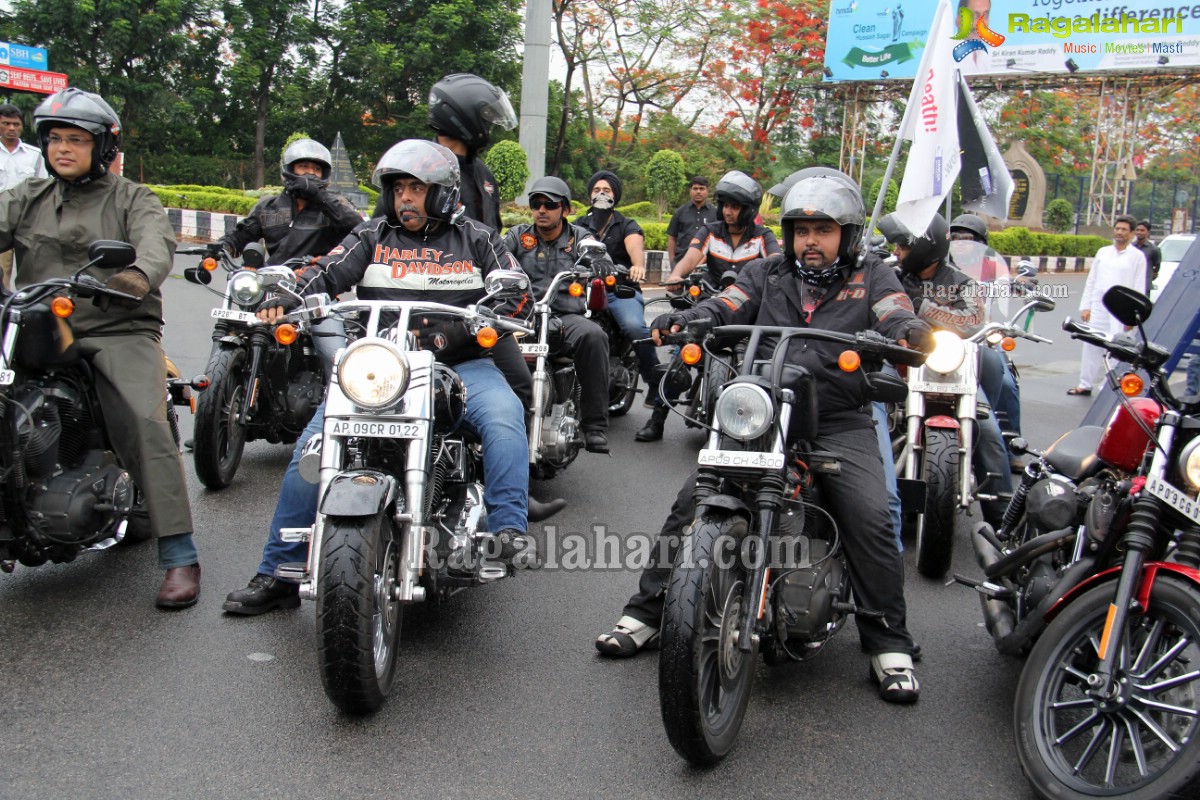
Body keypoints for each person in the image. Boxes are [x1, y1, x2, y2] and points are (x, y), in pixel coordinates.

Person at [596, 171, 933, 704]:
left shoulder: (872, 276)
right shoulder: (767, 272)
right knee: (692, 502)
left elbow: (895, 314)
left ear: (846, 234)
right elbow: (728, 302)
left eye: (824, 230)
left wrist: (910, 333)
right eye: (802, 230)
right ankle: (646, 612)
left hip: (838, 418)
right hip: (762, 412)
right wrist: (693, 317)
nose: (811, 241)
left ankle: (887, 639)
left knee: (871, 513)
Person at [223, 140, 537, 615]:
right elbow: (323, 271)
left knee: (504, 415)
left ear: (443, 192)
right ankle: (279, 572)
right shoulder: (371, 236)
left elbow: (513, 286)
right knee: (314, 445)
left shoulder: (478, 237)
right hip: (379, 365)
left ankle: (507, 532)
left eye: (417, 188)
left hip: (461, 363)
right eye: (398, 189)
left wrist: (499, 306)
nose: (405, 198)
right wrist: (285, 291)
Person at [0, 88, 200, 608]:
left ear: (103, 147)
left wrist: (137, 275)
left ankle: (179, 553)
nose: (63, 149)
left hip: (115, 325)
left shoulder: (132, 197)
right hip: (36, 323)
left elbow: (156, 242)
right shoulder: (27, 196)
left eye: (77, 140)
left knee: (144, 419)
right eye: (55, 139)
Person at [881, 211, 1011, 530]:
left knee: (990, 431)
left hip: (949, 370)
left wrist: (924, 307)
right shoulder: (889, 276)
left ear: (926, 247)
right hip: (899, 366)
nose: (897, 252)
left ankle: (1003, 518)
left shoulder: (962, 282)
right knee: (867, 419)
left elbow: (973, 322)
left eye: (904, 246)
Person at [213, 138, 363, 381]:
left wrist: (319, 197)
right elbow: (240, 235)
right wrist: (220, 247)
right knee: (239, 329)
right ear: (289, 170)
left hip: (316, 292)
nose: (311, 173)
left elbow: (358, 229)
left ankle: (336, 398)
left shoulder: (334, 205)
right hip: (271, 288)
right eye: (304, 167)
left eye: (316, 169)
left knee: (333, 355)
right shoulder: (269, 207)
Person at [501, 176, 611, 454]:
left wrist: (600, 263)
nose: (541, 210)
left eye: (549, 204)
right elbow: (497, 257)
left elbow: (600, 255)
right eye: (536, 203)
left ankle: (595, 425)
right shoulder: (518, 237)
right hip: (522, 316)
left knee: (594, 336)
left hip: (564, 316)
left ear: (565, 209)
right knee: (486, 340)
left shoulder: (579, 238)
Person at [575, 170, 664, 445]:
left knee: (635, 327)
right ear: (590, 194)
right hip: (583, 291)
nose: (602, 193)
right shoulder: (578, 224)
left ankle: (655, 386)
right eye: (597, 188)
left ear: (615, 196)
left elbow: (635, 248)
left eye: (607, 189)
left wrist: (637, 266)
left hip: (618, 290)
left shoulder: (626, 225)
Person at [948, 213, 1024, 443]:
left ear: (979, 242)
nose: (960, 242)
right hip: (945, 337)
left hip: (981, 336)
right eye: (955, 236)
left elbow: (1005, 289)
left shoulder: (991, 266)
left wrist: (1018, 285)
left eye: (967, 237)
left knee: (1007, 384)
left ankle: (1012, 445)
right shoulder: (940, 264)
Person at [426, 73, 516, 232]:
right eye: (486, 118)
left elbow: (493, 232)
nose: (489, 126)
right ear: (465, 115)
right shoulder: (418, 168)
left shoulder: (484, 174)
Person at [1069, 215, 1146, 396]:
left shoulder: (1137, 257)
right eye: (1117, 228)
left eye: (1124, 230)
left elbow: (1139, 287)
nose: (1119, 232)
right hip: (1099, 306)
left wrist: (1132, 316)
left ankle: (1108, 386)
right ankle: (1085, 384)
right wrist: (1085, 306)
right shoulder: (1103, 252)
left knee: (1117, 347)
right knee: (1091, 343)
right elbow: (1092, 280)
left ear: (1132, 233)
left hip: (1121, 310)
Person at [663, 170, 781, 285]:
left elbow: (776, 260)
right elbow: (691, 257)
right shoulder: (709, 231)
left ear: (748, 211)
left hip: (749, 300)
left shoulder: (763, 235)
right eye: (725, 206)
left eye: (734, 207)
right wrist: (676, 274)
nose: (727, 212)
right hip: (712, 299)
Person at [0, 103, 48, 290]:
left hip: (27, 222)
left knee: (30, 271)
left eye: (16, 124)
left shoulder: (35, 155)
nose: (12, 128)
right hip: (2, 221)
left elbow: (44, 187)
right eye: (6, 124)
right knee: (2, 271)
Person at [665, 176, 718, 269]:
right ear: (690, 190)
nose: (698, 191)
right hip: (681, 262)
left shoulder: (715, 213)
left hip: (706, 265)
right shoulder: (680, 212)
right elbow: (672, 238)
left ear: (707, 191)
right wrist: (673, 263)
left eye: (702, 189)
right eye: (695, 189)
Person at [1133, 220, 1161, 295]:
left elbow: (1157, 265)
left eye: (1142, 230)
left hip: (1145, 286)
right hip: (1130, 283)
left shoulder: (1154, 249)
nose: (1139, 232)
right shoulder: (1130, 247)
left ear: (1148, 232)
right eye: (1137, 230)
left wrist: (1153, 275)